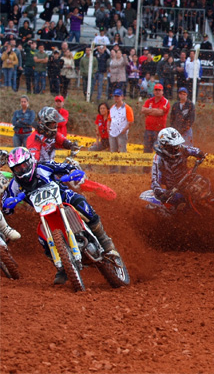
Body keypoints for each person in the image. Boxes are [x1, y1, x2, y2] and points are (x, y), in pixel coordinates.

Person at [3, 147, 120, 284]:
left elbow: (66, 167)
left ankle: (106, 243)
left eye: (24, 165)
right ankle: (63, 268)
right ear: (13, 170)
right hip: (45, 214)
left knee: (83, 206)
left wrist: (71, 173)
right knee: (43, 239)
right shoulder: (14, 185)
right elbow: (6, 204)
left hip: (64, 198)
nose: (22, 170)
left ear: (30, 161)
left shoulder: (43, 167)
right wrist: (9, 204)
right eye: (18, 168)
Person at [150, 127, 205, 208]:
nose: (177, 148)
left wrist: (199, 153)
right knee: (182, 205)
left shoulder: (181, 149)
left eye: (177, 145)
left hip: (187, 180)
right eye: (174, 146)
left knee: (203, 183)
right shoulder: (158, 158)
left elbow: (192, 150)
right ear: (165, 145)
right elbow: (155, 179)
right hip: (174, 189)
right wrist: (160, 193)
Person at [142, 84, 170, 153]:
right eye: (156, 90)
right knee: (147, 150)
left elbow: (160, 112)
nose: (157, 92)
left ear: (162, 91)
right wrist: (155, 110)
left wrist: (149, 111)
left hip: (159, 130)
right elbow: (143, 110)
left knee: (159, 151)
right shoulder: (149, 100)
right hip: (148, 129)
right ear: (153, 91)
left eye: (159, 90)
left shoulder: (165, 101)